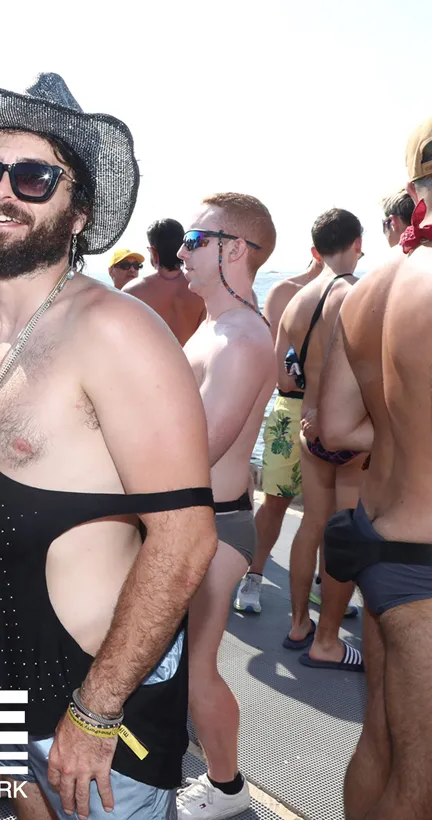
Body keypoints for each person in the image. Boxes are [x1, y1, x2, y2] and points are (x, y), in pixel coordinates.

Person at [0, 71, 218, 820]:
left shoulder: (116, 332)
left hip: (95, 719)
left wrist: (95, 713)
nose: (2, 191)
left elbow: (185, 539)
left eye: (33, 178)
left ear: (80, 213)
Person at [317, 115, 432, 820]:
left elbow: (334, 428)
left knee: (381, 745)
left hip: (378, 543)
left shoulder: (368, 288)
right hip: (427, 565)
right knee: (424, 786)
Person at [175, 193, 277, 817]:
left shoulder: (240, 339)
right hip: (195, 520)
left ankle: (227, 788)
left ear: (234, 249)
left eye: (195, 239)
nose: (181, 250)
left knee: (196, 668)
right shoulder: (215, 326)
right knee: (177, 663)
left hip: (213, 526)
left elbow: (198, 450)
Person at [277, 208, 366, 672]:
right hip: (349, 433)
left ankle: (298, 625)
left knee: (312, 523)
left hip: (309, 428)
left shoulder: (295, 300)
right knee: (344, 531)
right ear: (357, 243)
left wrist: (312, 402)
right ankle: (328, 640)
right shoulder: (356, 294)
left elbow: (284, 379)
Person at [234, 252, 324, 613]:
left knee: (329, 511)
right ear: (316, 252)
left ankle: (323, 583)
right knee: (275, 501)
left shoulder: (352, 291)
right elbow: (280, 371)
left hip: (333, 412)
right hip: (292, 408)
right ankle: (252, 576)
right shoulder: (286, 292)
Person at [123, 219, 205, 345]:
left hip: (150, 358)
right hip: (189, 357)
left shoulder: (132, 292)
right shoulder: (201, 289)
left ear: (152, 251)